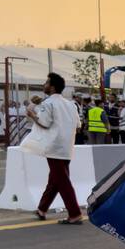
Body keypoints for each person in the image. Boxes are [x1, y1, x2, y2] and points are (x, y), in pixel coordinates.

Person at [25, 72, 83, 224]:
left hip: (53, 146)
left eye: (46, 83)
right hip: (67, 147)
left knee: (62, 181)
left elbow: (44, 123)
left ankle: (75, 213)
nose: (44, 85)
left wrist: (32, 114)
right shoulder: (71, 104)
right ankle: (42, 209)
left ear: (52, 87)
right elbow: (78, 126)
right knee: (56, 179)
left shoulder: (48, 103)